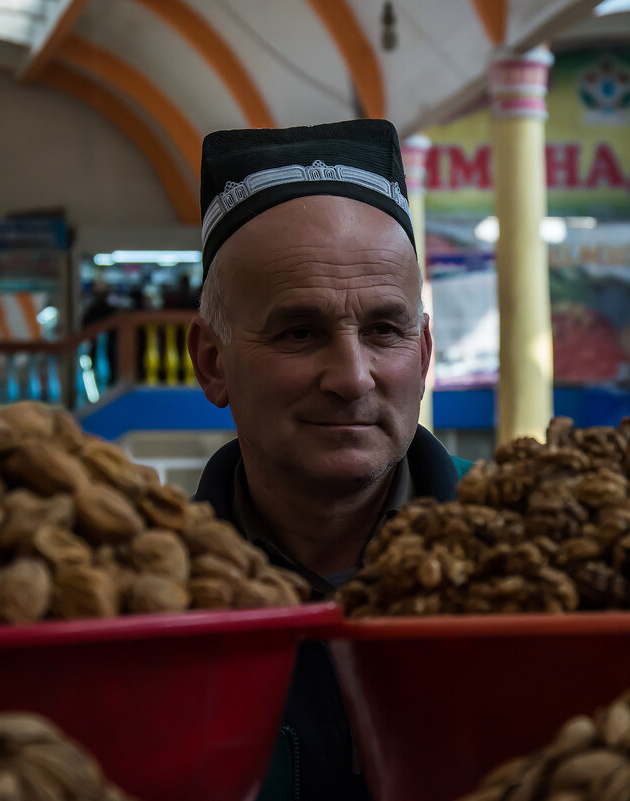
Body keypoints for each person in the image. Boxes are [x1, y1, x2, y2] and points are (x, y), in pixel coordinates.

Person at [188, 119, 471, 801]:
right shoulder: (145, 610)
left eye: (384, 330)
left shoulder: (536, 586)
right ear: (211, 361)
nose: (351, 376)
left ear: (424, 353)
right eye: (299, 331)